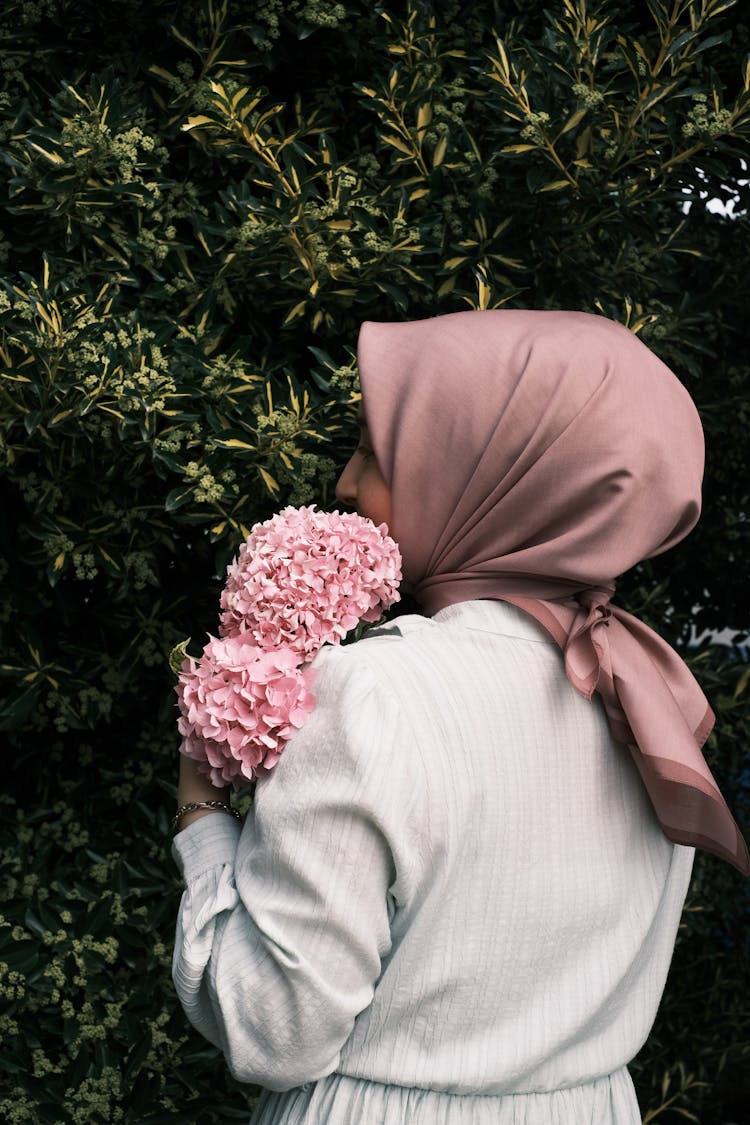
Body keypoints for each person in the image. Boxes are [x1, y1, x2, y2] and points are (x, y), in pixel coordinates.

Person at [171, 309, 749, 1125]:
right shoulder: (648, 702)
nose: (344, 482)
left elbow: (273, 1030)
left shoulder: (373, 693)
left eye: (373, 450)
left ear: (479, 472)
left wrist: (201, 816)